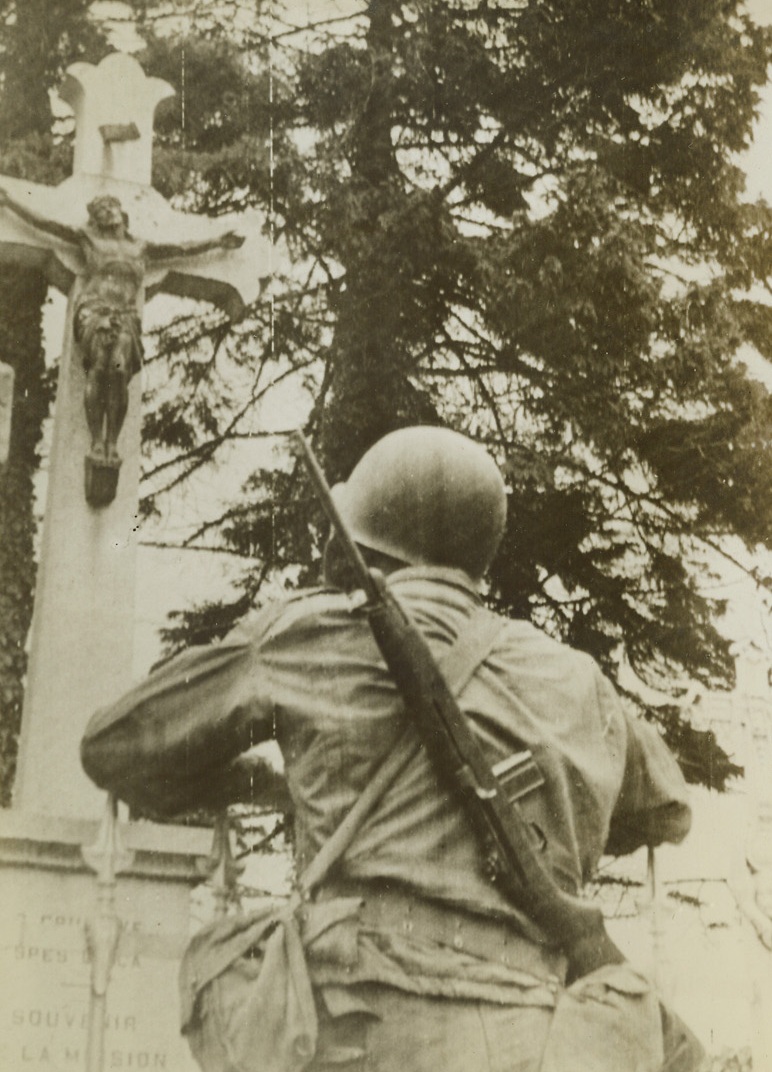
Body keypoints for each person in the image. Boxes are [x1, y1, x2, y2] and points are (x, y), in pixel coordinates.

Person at [81, 426, 696, 1072]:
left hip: (351, 1033)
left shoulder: (304, 634)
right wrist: (538, 836)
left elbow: (115, 746)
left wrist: (254, 784)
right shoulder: (575, 679)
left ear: (367, 538)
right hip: (531, 1040)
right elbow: (665, 809)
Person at [0, 189, 242, 464]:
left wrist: (217, 242)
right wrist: (11, 203)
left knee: (119, 369)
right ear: (96, 219)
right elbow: (46, 225)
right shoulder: (88, 239)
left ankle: (111, 442)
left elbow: (182, 249)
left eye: (110, 207)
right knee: (100, 366)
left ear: (120, 212)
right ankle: (96, 442)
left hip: (125, 314)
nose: (107, 213)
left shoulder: (141, 247)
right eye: (101, 210)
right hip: (94, 310)